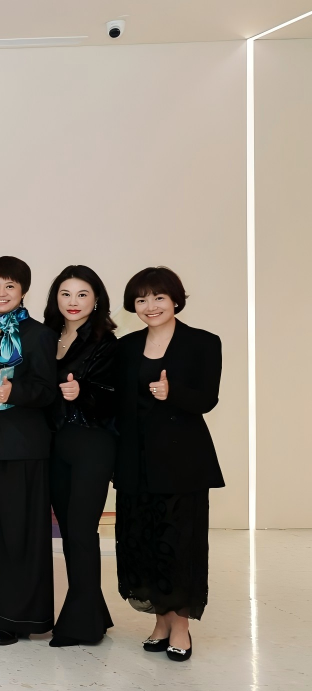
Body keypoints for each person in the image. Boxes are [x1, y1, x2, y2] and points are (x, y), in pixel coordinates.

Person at [113, 266, 221, 662]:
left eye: (158, 297)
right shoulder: (126, 347)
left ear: (175, 299)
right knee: (142, 542)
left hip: (181, 464)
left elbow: (207, 399)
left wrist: (172, 393)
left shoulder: (203, 342)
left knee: (178, 544)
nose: (150, 306)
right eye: (141, 299)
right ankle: (160, 620)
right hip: (135, 462)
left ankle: (180, 626)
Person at [0, 256, 58, 646]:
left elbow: (48, 391)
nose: (1, 293)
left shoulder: (39, 334)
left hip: (22, 446)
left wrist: (15, 392)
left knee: (18, 532)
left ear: (23, 291)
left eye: (10, 286)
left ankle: (15, 617)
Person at [44, 265, 118, 647]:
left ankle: (81, 625)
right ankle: (94, 611)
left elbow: (114, 396)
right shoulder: (47, 336)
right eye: (66, 293)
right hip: (56, 443)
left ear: (96, 299)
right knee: (70, 533)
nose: (73, 302)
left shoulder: (106, 341)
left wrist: (81, 393)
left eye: (82, 294)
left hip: (93, 443)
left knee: (81, 529)